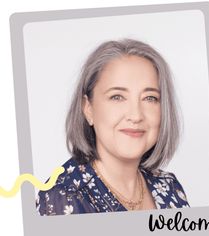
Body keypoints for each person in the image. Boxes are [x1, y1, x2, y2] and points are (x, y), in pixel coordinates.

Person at [36, 39, 189, 216]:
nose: (136, 115)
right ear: (88, 108)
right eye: (117, 97)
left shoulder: (168, 186)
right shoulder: (62, 197)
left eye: (150, 98)